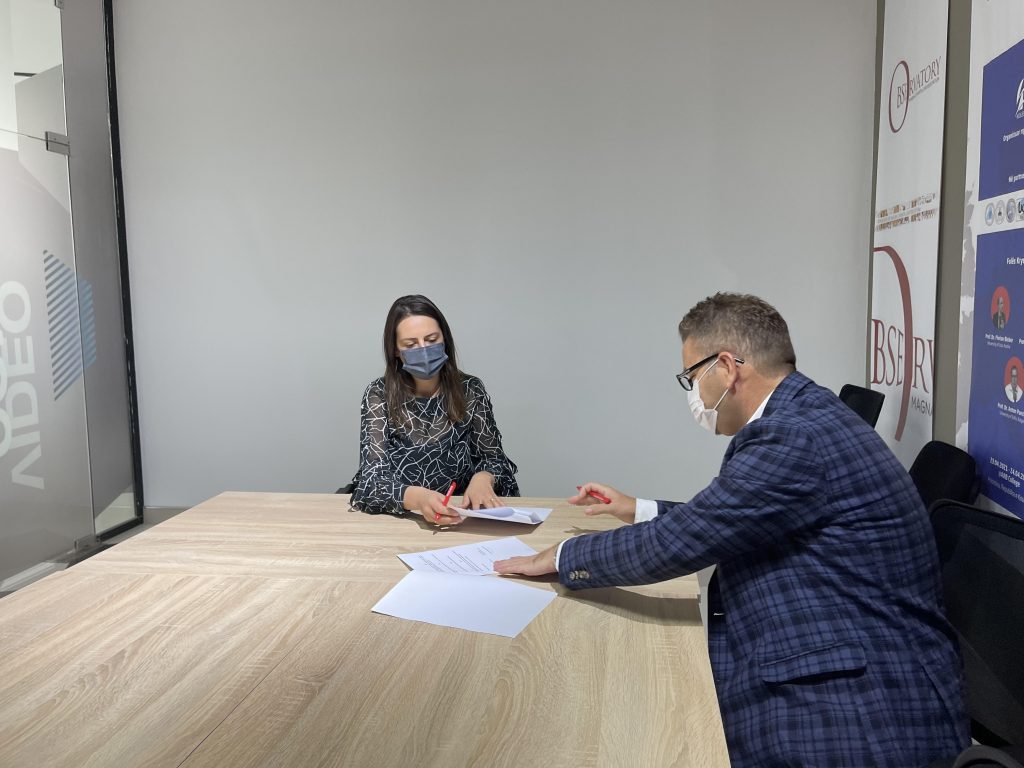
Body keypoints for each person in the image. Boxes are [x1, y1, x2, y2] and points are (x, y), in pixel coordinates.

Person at [496, 292, 969, 767]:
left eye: (692, 377)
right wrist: (639, 509)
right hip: (853, 647)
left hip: (864, 705)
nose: (693, 394)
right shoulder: (805, 412)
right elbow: (735, 517)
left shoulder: (791, 436)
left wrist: (563, 556)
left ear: (726, 367)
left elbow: (684, 541)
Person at [349, 294, 520, 525]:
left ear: (444, 339)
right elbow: (371, 481)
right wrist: (419, 499)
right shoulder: (379, 394)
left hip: (460, 515)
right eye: (410, 345)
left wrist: (483, 478)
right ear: (396, 350)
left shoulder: (470, 390)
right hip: (402, 520)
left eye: (431, 339)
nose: (423, 350)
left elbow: (496, 461)